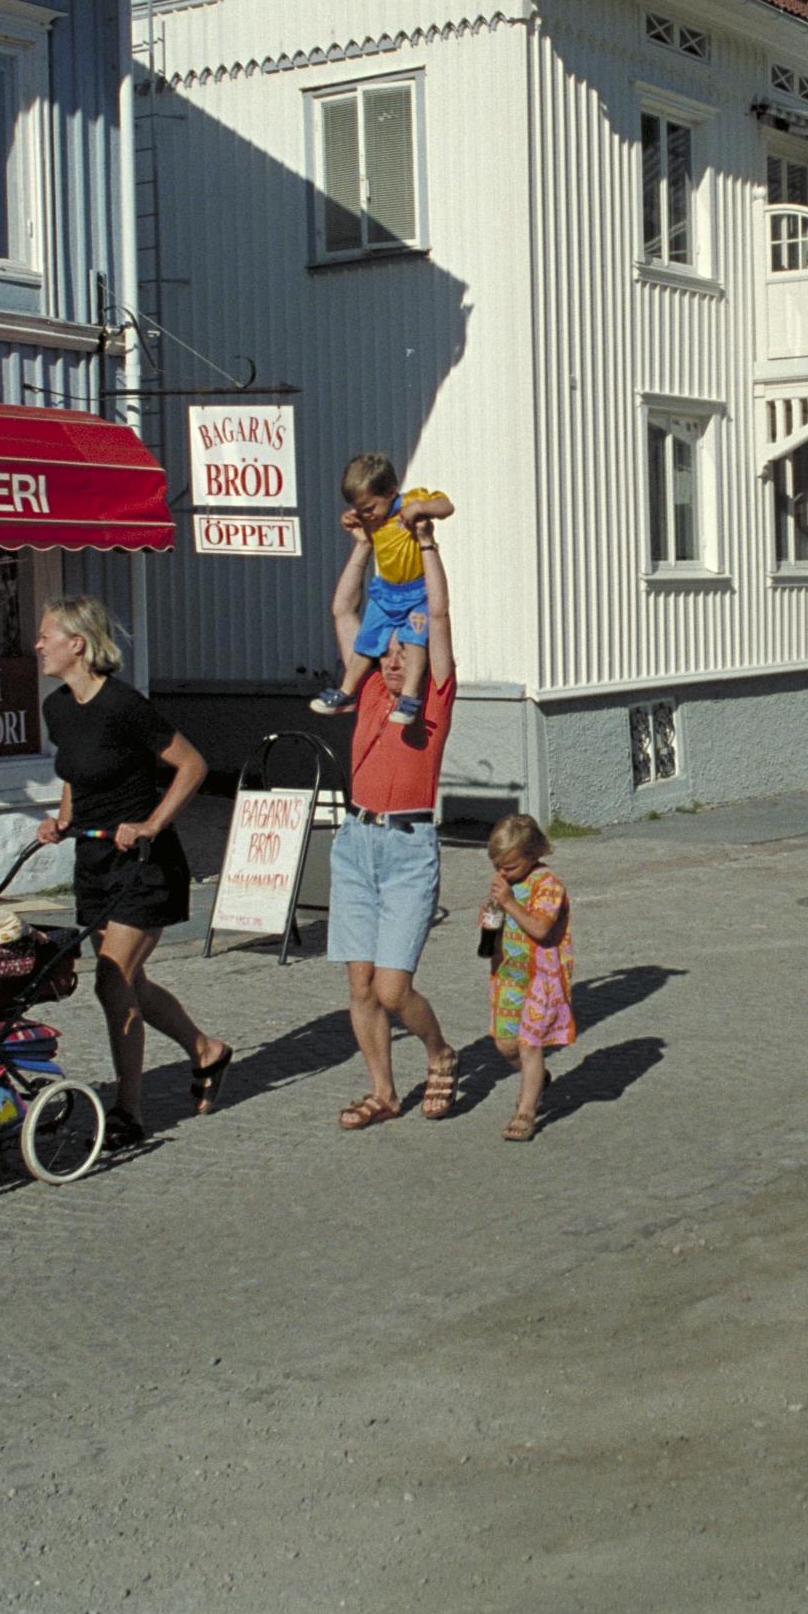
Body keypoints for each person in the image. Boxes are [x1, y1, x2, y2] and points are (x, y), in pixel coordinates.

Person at [35, 596, 226, 1146]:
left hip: (144, 864)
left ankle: (129, 1111)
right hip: (93, 860)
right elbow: (75, 771)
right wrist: (63, 819)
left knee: (111, 980)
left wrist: (150, 824)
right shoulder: (57, 707)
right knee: (130, 982)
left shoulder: (124, 705)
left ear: (78, 644)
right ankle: (206, 1050)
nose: (37, 645)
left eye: (47, 636)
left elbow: (192, 764)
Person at [327, 493, 464, 1129]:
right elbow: (343, 609)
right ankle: (383, 1092)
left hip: (408, 849)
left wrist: (427, 544)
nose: (391, 660)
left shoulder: (431, 697)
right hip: (355, 843)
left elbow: (436, 613)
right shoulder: (367, 695)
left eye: (401, 652)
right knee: (359, 988)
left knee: (391, 988)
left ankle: (439, 1052)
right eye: (384, 653)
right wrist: (362, 545)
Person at [309, 454, 453, 725]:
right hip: (386, 591)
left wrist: (422, 508)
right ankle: (346, 690)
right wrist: (356, 527)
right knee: (366, 640)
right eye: (359, 509)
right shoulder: (371, 518)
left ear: (390, 491)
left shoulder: (411, 502)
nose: (366, 514)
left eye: (369, 507)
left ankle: (409, 696)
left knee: (414, 640)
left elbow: (446, 506)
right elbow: (342, 611)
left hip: (416, 591)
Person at [481, 814, 574, 1143]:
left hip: (541, 977)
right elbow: (496, 922)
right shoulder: (507, 884)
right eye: (497, 867)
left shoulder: (548, 885)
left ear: (533, 853)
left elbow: (540, 928)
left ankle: (526, 1111)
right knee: (506, 1045)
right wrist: (491, 916)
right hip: (508, 974)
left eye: (509, 867)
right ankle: (538, 1079)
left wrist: (508, 902)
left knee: (529, 1045)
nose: (502, 874)